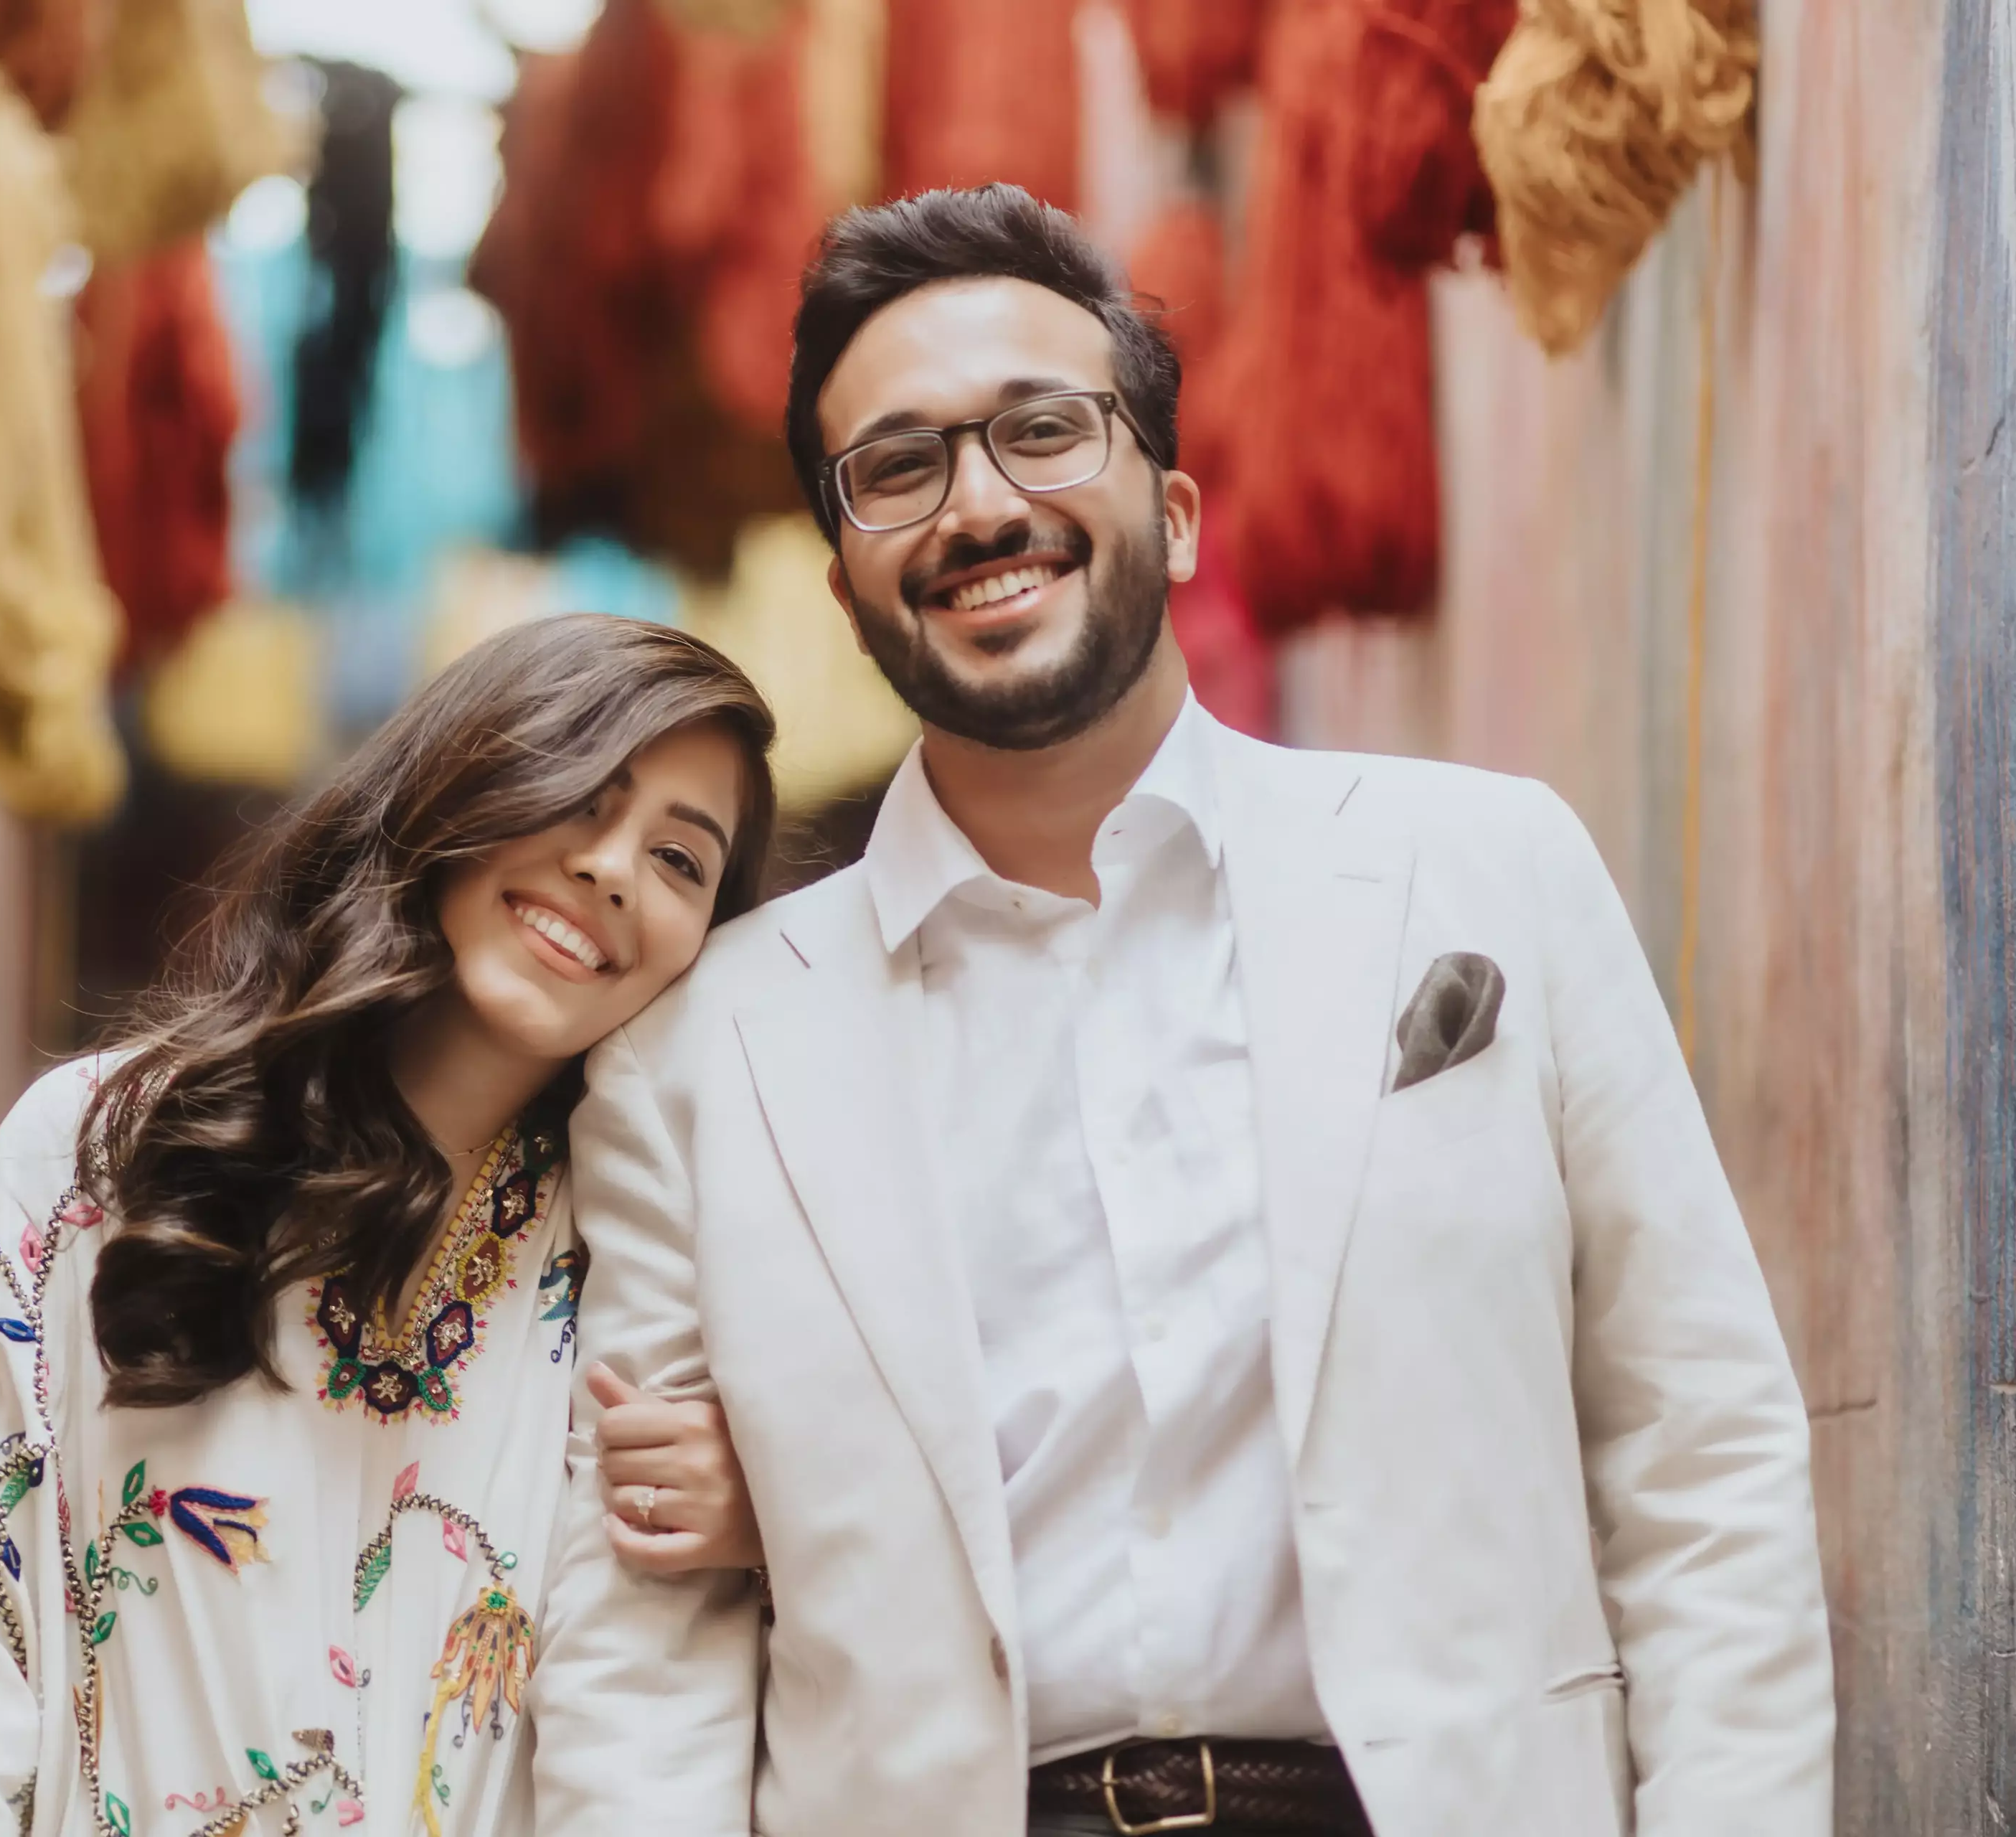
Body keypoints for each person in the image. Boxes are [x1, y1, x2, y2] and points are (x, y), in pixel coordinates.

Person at [532, 185, 1833, 1837]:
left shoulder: (1488, 864)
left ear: (1180, 508)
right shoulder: (700, 1055)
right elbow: (649, 1653)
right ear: (850, 579)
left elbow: (1697, 1447)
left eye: (1043, 430)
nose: (980, 502)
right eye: (899, 466)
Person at [0, 615, 778, 1837]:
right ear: (463, 777)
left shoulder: (642, 1265)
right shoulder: (112, 1144)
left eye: (682, 861)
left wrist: (769, 1508)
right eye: (582, 792)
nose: (616, 869)